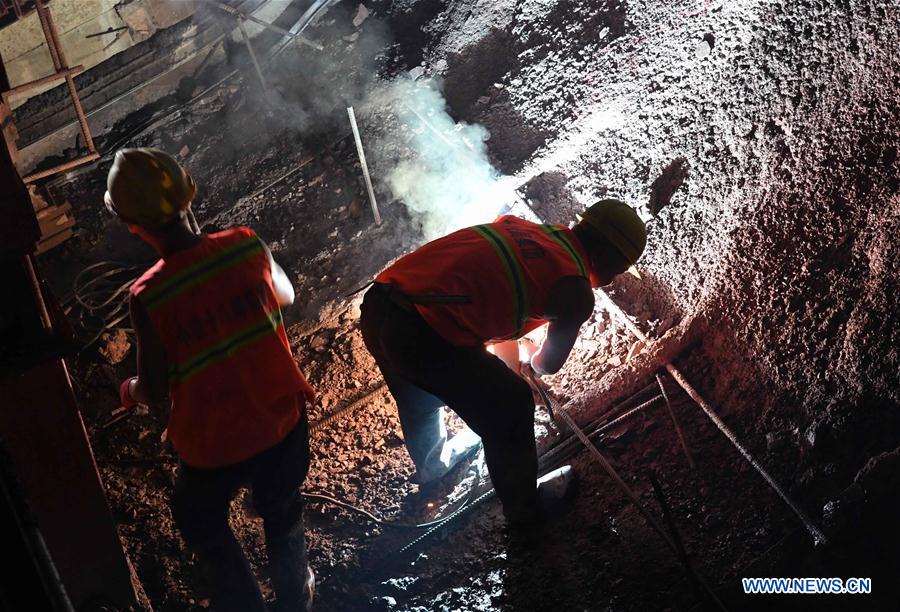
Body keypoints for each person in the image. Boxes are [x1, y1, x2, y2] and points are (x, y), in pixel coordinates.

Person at [107, 148, 316, 612]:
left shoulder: (148, 294)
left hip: (212, 446)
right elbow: (285, 293)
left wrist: (128, 390)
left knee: (199, 518)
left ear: (132, 225)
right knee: (282, 512)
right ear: (190, 192)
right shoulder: (244, 244)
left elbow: (153, 389)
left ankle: (244, 604)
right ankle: (295, 597)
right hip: (280, 424)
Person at [359, 200, 647, 525]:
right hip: (420, 334)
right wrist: (530, 366)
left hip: (380, 304)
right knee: (512, 404)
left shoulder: (524, 228)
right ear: (605, 256)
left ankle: (432, 467)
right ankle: (526, 511)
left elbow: (498, 287)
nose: (611, 280)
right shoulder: (576, 292)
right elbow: (548, 364)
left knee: (418, 395)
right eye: (617, 270)